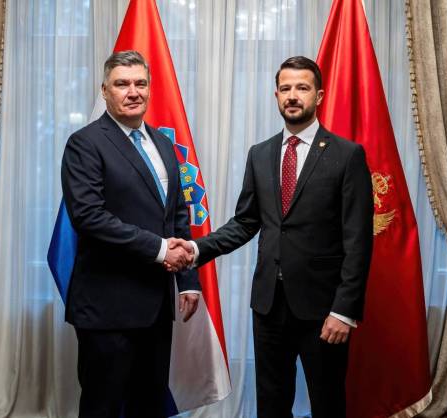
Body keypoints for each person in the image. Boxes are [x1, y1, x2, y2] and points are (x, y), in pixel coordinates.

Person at [170, 56, 374, 418]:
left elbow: (358, 240)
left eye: (302, 88)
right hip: (268, 305)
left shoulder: (347, 156)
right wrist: (197, 248)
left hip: (322, 308)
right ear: (276, 95)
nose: (292, 95)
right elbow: (245, 222)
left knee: (327, 402)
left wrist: (344, 311)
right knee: (271, 402)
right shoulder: (260, 154)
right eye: (285, 88)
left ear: (319, 96)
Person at [61, 50, 199, 418]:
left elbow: (177, 214)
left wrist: (188, 280)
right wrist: (161, 250)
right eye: (122, 84)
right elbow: (89, 217)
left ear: (150, 88)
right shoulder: (85, 143)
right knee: (102, 408)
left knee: (150, 406)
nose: (133, 91)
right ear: (104, 90)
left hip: (156, 306)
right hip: (107, 307)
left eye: (140, 83)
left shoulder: (163, 144)